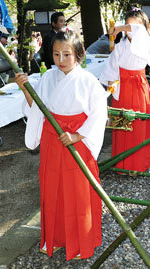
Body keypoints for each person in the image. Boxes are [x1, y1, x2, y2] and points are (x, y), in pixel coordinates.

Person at [16, 30, 107, 261]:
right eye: (56, 54)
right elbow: (38, 109)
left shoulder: (88, 81)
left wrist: (78, 135)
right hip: (52, 138)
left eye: (67, 54)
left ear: (78, 54)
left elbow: (98, 114)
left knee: (77, 191)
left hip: (76, 140)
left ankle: (79, 242)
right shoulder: (48, 78)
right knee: (52, 187)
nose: (61, 60)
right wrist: (25, 89)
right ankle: (55, 238)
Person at [99, 9, 150, 172]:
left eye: (132, 26)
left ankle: (137, 164)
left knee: (136, 125)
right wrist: (111, 82)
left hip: (137, 87)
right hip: (122, 88)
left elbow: (140, 32)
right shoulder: (121, 46)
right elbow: (111, 66)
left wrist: (121, 27)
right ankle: (121, 163)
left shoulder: (144, 40)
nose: (129, 29)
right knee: (122, 124)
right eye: (127, 25)